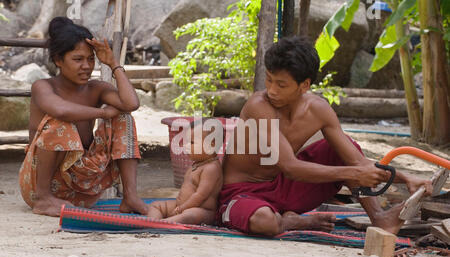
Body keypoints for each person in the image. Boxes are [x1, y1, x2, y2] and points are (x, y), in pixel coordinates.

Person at [218, 36, 432, 236]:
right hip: (241, 194)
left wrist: (406, 179)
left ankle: (379, 217)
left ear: (305, 85)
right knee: (265, 222)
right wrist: (353, 173)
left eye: (281, 85)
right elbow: (290, 167)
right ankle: (290, 222)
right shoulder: (259, 106)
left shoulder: (319, 109)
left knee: (342, 149)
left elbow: (357, 162)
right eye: (269, 80)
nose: (272, 90)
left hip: (284, 188)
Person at [19, 17, 149, 217]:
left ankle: (130, 196)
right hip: (38, 186)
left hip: (81, 188)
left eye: (90, 59)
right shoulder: (43, 87)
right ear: (58, 60)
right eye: (78, 59)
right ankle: (43, 199)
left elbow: (131, 104)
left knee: (124, 118)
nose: (86, 66)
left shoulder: (96, 88)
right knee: (60, 122)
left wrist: (114, 64)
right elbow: (62, 111)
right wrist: (103, 112)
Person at [147, 119, 223, 225]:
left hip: (202, 210)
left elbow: (200, 195)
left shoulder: (211, 169)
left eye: (192, 142)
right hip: (180, 206)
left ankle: (162, 224)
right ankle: (152, 222)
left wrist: (182, 208)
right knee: (156, 205)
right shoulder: (198, 164)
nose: (186, 145)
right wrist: (179, 207)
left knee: (189, 215)